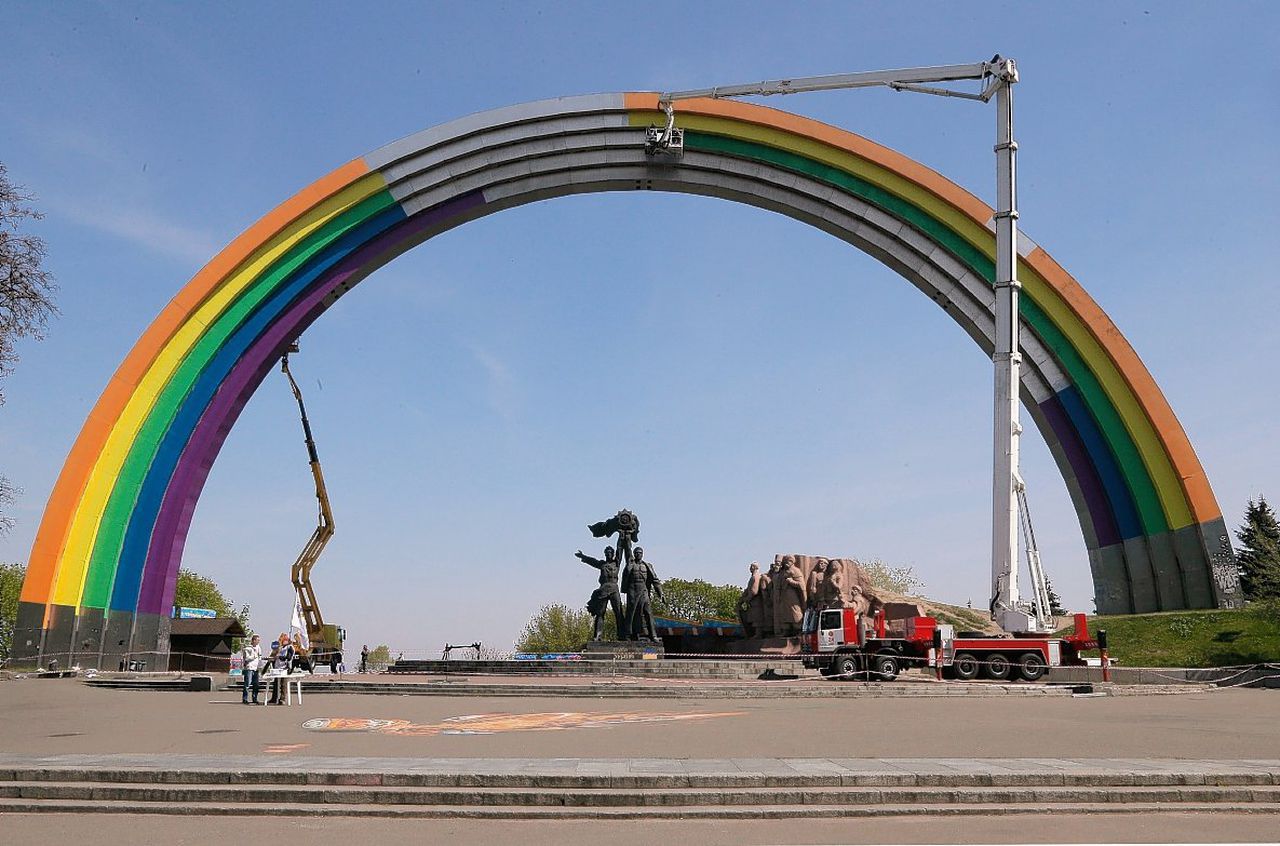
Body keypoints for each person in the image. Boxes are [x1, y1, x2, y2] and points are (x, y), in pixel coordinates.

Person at [576, 545, 624, 640]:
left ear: (613, 554)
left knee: (618, 613)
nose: (609, 555)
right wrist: (583, 556)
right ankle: (598, 635)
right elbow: (593, 561)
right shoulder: (602, 564)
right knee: (600, 613)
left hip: (614, 589)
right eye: (607, 553)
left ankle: (622, 635)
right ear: (605, 554)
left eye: (610, 553)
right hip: (604, 589)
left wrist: (621, 537)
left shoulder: (616, 563)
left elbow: (620, 549)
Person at [622, 546, 663, 641]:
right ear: (634, 554)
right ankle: (629, 635)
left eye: (640, 553)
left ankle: (653, 635)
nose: (638, 554)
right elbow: (625, 577)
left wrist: (660, 593)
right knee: (631, 613)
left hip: (644, 590)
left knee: (648, 613)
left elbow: (655, 580)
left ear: (642, 554)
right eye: (636, 553)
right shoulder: (630, 565)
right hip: (632, 590)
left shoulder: (647, 565)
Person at [268, 634, 295, 705]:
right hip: (277, 668)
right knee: (276, 683)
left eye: (284, 640)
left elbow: (289, 657)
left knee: (283, 684)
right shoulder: (280, 648)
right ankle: (274, 698)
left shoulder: (290, 648)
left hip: (285, 668)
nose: (282, 642)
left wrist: (280, 657)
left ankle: (282, 699)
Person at [240, 634, 263, 705]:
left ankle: (255, 698)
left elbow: (260, 656)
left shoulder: (259, 648)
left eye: (259, 640)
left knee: (256, 685)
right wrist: (254, 655)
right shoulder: (248, 648)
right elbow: (246, 658)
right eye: (257, 640)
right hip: (249, 668)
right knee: (247, 684)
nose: (258, 642)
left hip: (256, 668)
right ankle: (245, 699)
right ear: (253, 640)